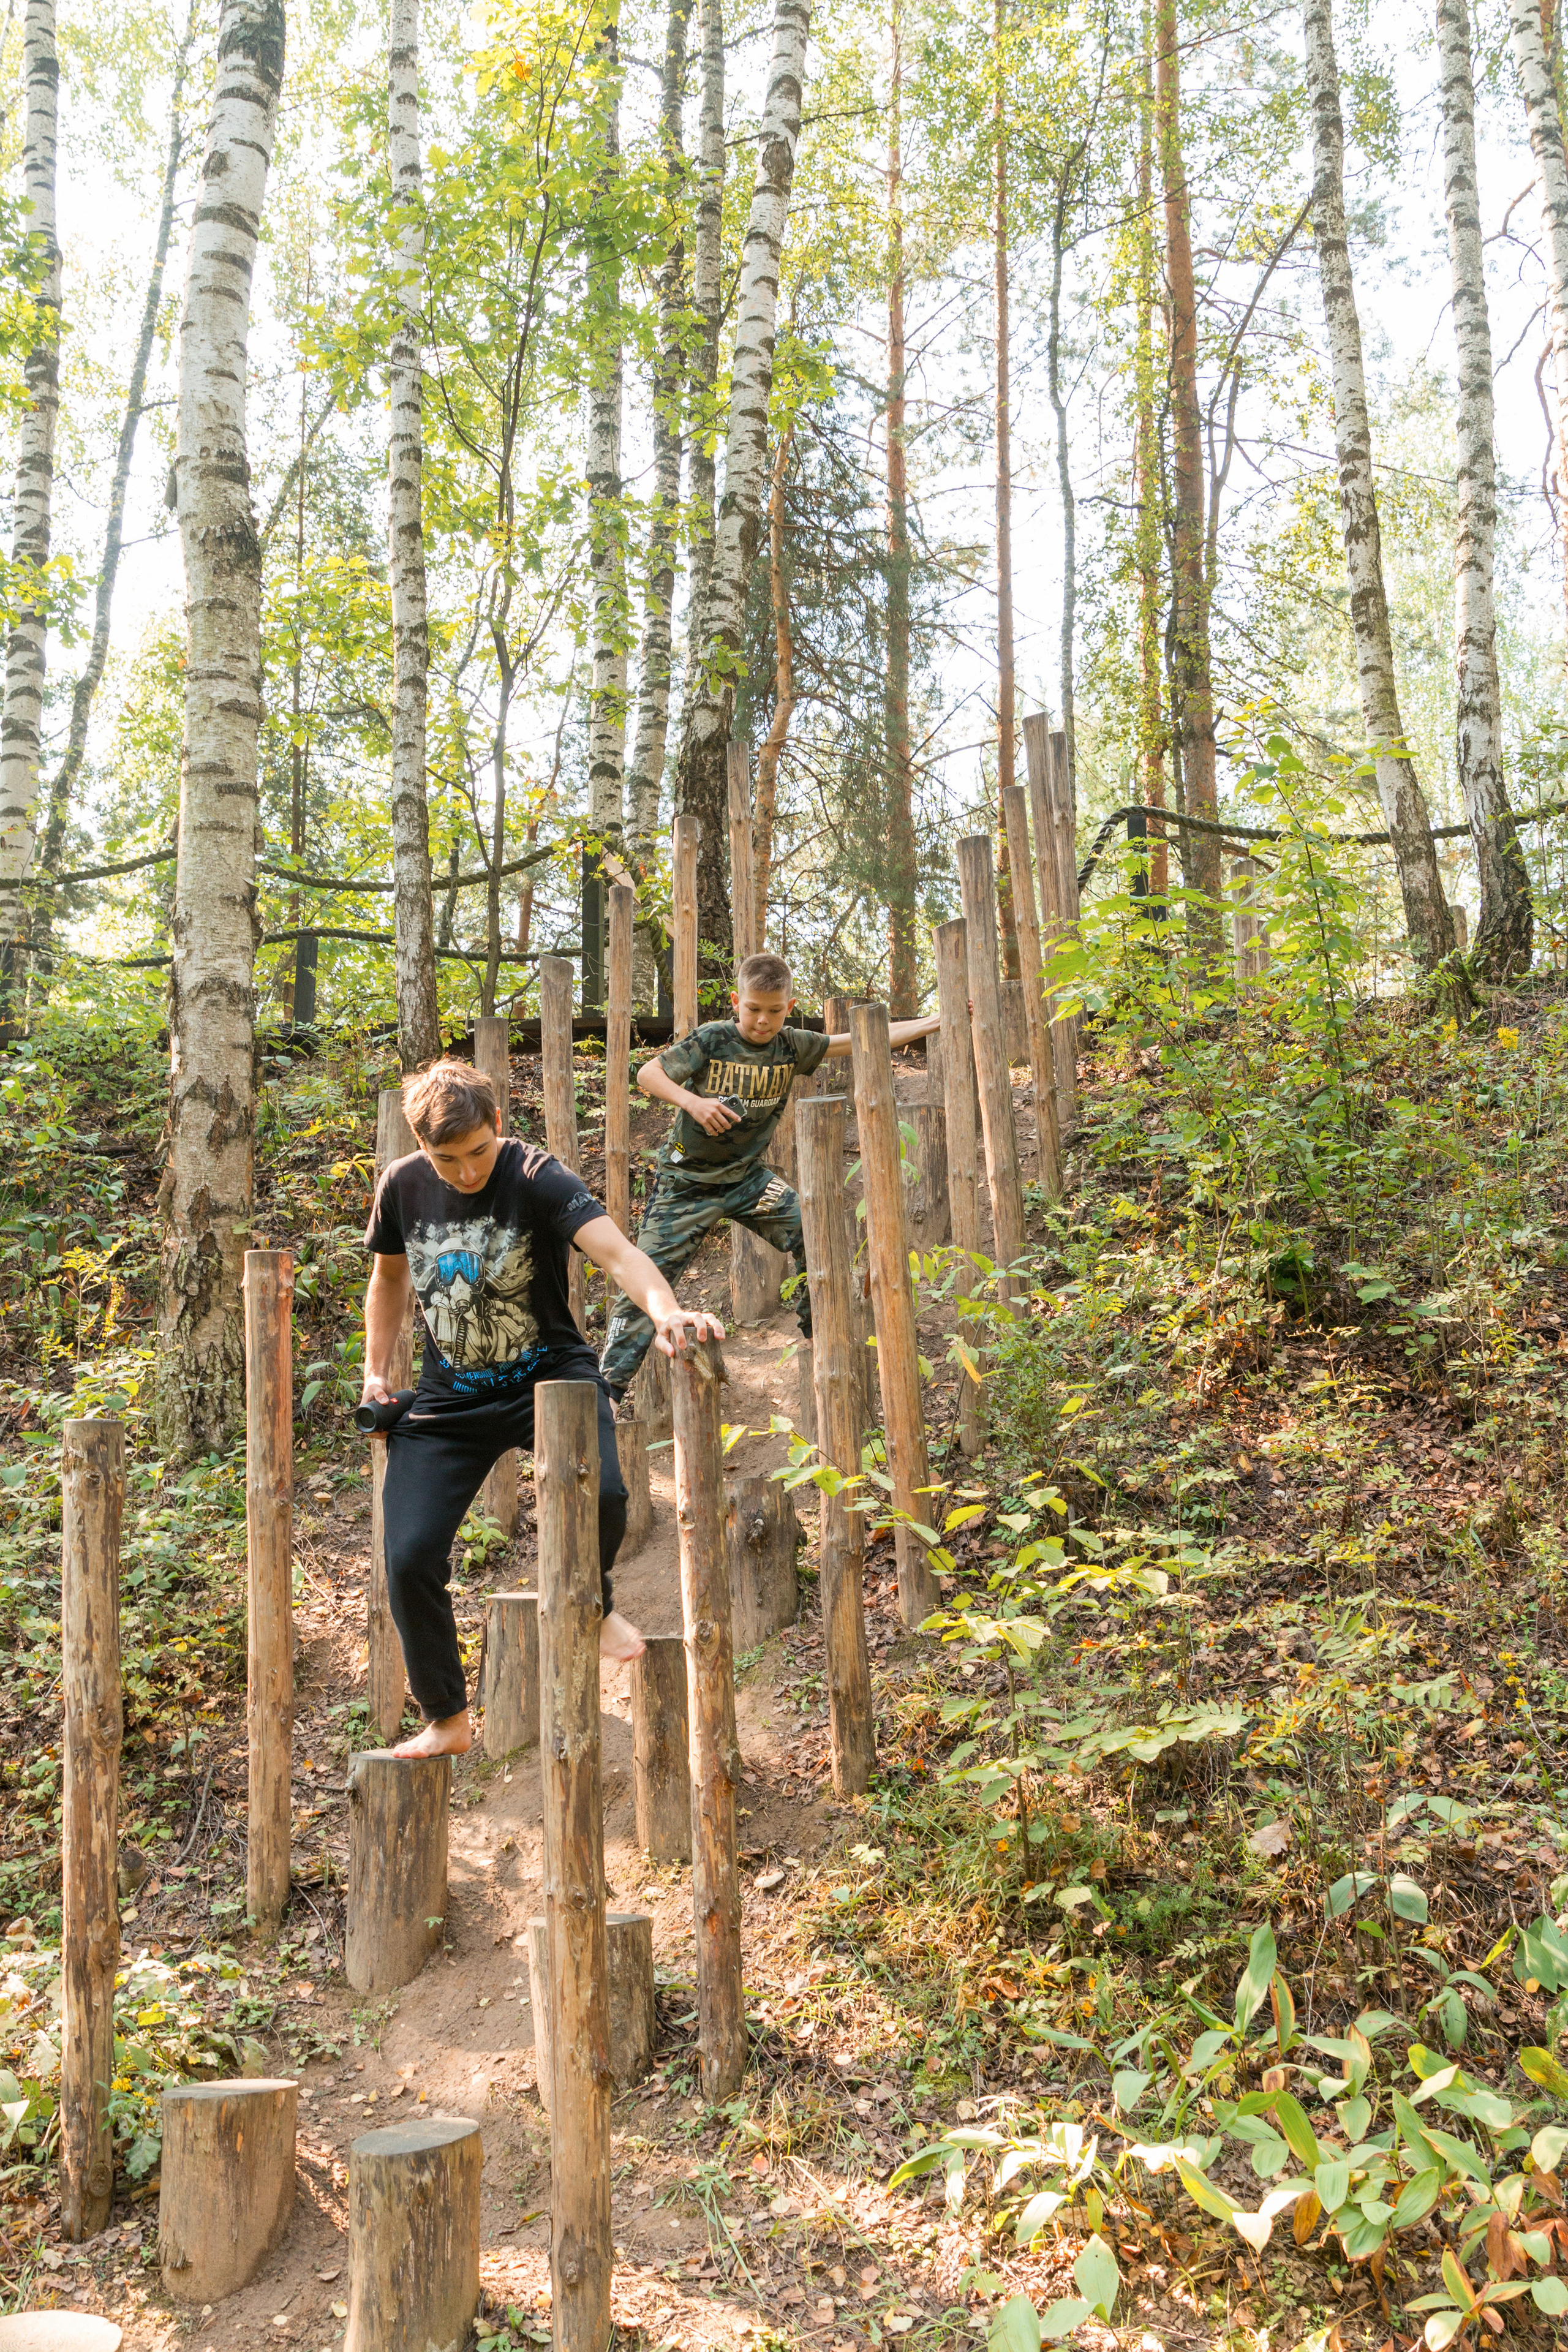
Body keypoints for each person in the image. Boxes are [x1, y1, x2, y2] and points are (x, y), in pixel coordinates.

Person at [360, 1057, 722, 1759]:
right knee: (408, 1558)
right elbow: (389, 1278)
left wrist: (667, 1312)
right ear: (421, 1146)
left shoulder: (536, 1176)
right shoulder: (402, 1184)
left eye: (477, 1152)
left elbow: (618, 1254)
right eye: (446, 1160)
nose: (467, 1172)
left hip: (549, 1379)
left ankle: (596, 1605)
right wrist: (375, 1373)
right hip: (449, 1399)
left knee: (607, 1494)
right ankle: (447, 1719)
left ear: (496, 1124)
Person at [600, 952, 940, 1403]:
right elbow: (649, 1072)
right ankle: (606, 1393)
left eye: (775, 1011)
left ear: (789, 1006)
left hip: (748, 1182)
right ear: (737, 1002)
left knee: (814, 1228)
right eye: (754, 1009)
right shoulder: (714, 1038)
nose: (763, 1020)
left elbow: (860, 1038)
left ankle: (818, 1336)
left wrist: (935, 1019)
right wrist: (692, 1102)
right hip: (686, 1185)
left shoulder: (792, 1047)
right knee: (645, 1282)